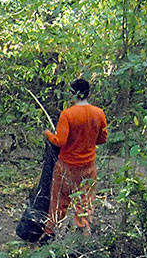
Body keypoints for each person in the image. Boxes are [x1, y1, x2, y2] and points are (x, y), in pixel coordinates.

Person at [44, 78, 108, 238]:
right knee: (85, 201)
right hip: (88, 167)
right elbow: (102, 139)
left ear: (74, 94)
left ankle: (50, 232)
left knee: (59, 201)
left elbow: (60, 141)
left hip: (67, 166)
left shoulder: (68, 114)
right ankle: (83, 233)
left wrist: (48, 134)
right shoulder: (98, 113)